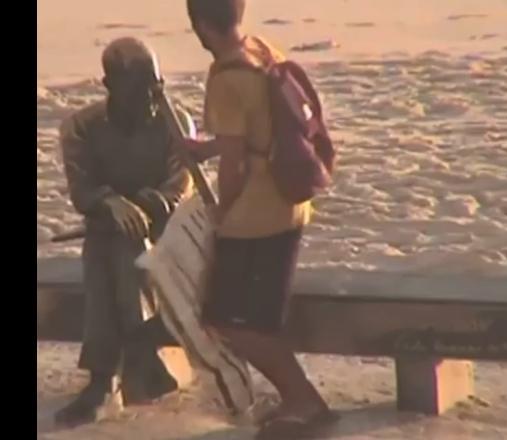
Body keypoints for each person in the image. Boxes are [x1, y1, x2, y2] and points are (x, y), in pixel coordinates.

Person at [183, 0, 335, 437]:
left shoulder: (228, 76)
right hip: (291, 199)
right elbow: (257, 133)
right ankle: (298, 397)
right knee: (254, 316)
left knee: (230, 320)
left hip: (254, 215)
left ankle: (302, 398)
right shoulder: (264, 50)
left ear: (199, 24)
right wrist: (208, 149)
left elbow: (234, 165)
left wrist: (221, 213)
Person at [55, 37, 196, 427]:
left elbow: (179, 189)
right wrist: (111, 203)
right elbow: (82, 192)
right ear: (109, 86)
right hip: (111, 236)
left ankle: (104, 379)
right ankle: (137, 357)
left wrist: (138, 206)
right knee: (114, 244)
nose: (153, 98)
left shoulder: (174, 122)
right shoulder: (82, 127)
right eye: (140, 90)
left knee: (115, 245)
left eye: (158, 86)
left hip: (167, 238)